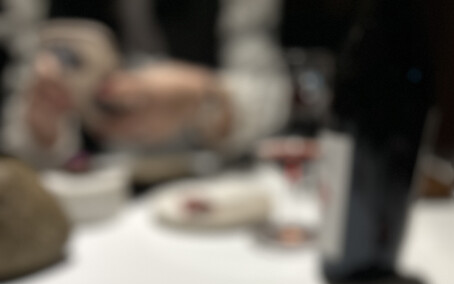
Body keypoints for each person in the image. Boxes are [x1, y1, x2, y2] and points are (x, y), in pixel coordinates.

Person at [1, 0, 291, 168]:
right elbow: (22, 123)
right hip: (96, 191)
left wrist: (203, 94)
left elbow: (270, 93)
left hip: (212, 175)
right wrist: (43, 122)